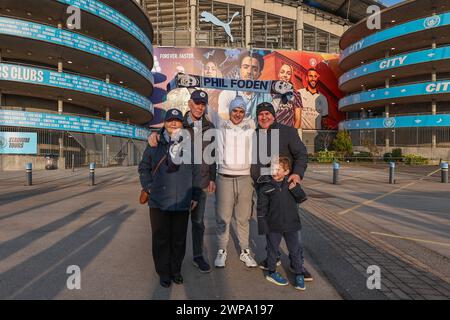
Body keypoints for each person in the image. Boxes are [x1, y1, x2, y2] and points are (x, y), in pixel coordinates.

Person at [147, 90, 217, 274]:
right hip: (180, 182)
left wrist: (212, 177)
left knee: (198, 222)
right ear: (190, 103)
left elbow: (212, 154)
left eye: (203, 104)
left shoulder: (210, 126)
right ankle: (168, 265)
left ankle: (198, 256)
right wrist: (153, 135)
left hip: (199, 181)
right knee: (176, 228)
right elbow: (165, 133)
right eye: (197, 103)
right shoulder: (181, 124)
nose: (200, 107)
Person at [251, 102, 313, 282]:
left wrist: (297, 173)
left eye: (267, 114)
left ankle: (297, 263)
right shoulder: (254, 134)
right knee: (271, 226)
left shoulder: (287, 131)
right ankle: (274, 256)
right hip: (263, 187)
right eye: (260, 114)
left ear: (274, 115)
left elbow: (301, 154)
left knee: (291, 227)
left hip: (285, 188)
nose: (264, 117)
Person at [138, 108, 201, 288]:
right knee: (160, 238)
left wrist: (195, 194)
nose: (173, 123)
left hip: (182, 199)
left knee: (179, 239)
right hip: (158, 201)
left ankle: (176, 270)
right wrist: (149, 187)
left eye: (177, 120)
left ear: (182, 123)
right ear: (164, 123)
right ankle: (163, 272)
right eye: (170, 120)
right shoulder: (154, 144)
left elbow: (196, 172)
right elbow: (144, 168)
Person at [207, 95, 258, 269]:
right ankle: (222, 251)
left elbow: (269, 114)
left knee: (243, 219)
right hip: (224, 178)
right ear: (229, 111)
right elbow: (207, 107)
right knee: (223, 218)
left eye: (241, 111)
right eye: (235, 110)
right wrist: (194, 85)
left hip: (245, 178)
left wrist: (280, 97)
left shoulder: (250, 126)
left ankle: (245, 251)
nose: (237, 114)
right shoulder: (221, 124)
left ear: (245, 112)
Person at [257, 156, 307, 290]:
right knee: (273, 250)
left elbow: (302, 198)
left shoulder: (291, 184)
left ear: (286, 172)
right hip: (274, 226)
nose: (274, 172)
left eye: (278, 169)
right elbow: (261, 209)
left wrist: (294, 188)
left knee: (295, 250)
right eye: (273, 169)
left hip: (292, 225)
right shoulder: (265, 187)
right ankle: (272, 272)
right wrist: (263, 226)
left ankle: (299, 273)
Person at [218, 51, 272, 120]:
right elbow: (223, 123)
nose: (249, 72)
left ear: (259, 74)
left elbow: (270, 124)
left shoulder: (266, 96)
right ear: (240, 70)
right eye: (245, 67)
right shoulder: (227, 93)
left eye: (254, 69)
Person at [272, 64, 302, 128]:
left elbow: (298, 119)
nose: (285, 75)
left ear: (291, 76)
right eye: (282, 72)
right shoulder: (271, 92)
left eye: (288, 73)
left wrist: (292, 134)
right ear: (278, 75)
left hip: (288, 132)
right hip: (273, 131)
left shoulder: (296, 94)